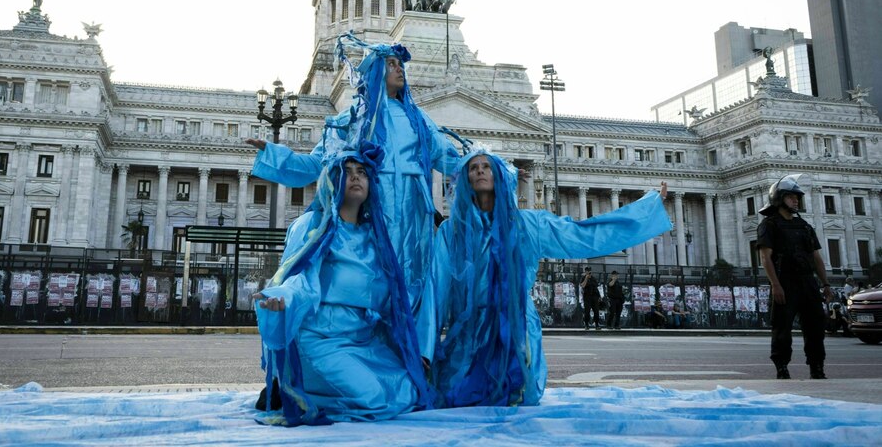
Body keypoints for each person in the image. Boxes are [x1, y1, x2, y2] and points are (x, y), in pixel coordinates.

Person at [249, 34, 460, 358]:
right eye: (390, 64)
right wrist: (278, 156)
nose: (398, 70)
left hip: (416, 215)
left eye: (399, 64)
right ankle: (366, 357)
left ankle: (418, 360)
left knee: (417, 283)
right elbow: (320, 162)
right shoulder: (356, 119)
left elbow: (450, 158)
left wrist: (495, 169)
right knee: (374, 280)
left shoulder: (420, 121)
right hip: (376, 213)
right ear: (375, 71)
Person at [429, 149, 672, 408]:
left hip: (516, 326)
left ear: (500, 176)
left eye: (487, 166)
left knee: (513, 397)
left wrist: (646, 208)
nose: (479, 170)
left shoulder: (528, 224)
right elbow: (436, 289)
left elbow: (582, 235)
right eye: (473, 167)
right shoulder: (451, 232)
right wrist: (424, 349)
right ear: (464, 179)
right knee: (455, 395)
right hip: (468, 330)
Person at [253, 147, 429, 425]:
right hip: (320, 338)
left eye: (361, 172)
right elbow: (296, 276)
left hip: (361, 338)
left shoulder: (375, 238)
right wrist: (281, 296)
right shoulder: (313, 224)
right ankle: (293, 392)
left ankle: (303, 390)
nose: (355, 178)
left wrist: (411, 340)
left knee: (409, 389)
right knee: (373, 398)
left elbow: (388, 298)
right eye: (346, 173)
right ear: (332, 180)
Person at [757, 173, 833, 380]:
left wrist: (825, 283)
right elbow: (766, 258)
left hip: (808, 281)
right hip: (785, 280)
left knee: (816, 326)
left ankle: (817, 366)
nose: (796, 200)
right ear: (779, 199)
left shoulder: (805, 226)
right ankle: (782, 366)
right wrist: (775, 285)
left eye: (797, 197)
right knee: (782, 327)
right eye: (791, 197)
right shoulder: (769, 225)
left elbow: (816, 257)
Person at [580, 267, 602, 331]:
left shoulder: (593, 279)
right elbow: (582, 285)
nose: (589, 272)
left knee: (596, 311)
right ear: (585, 272)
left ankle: (597, 324)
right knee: (587, 311)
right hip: (587, 297)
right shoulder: (583, 278)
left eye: (589, 271)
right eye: (587, 271)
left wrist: (599, 296)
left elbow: (596, 288)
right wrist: (586, 278)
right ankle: (586, 324)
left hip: (594, 297)